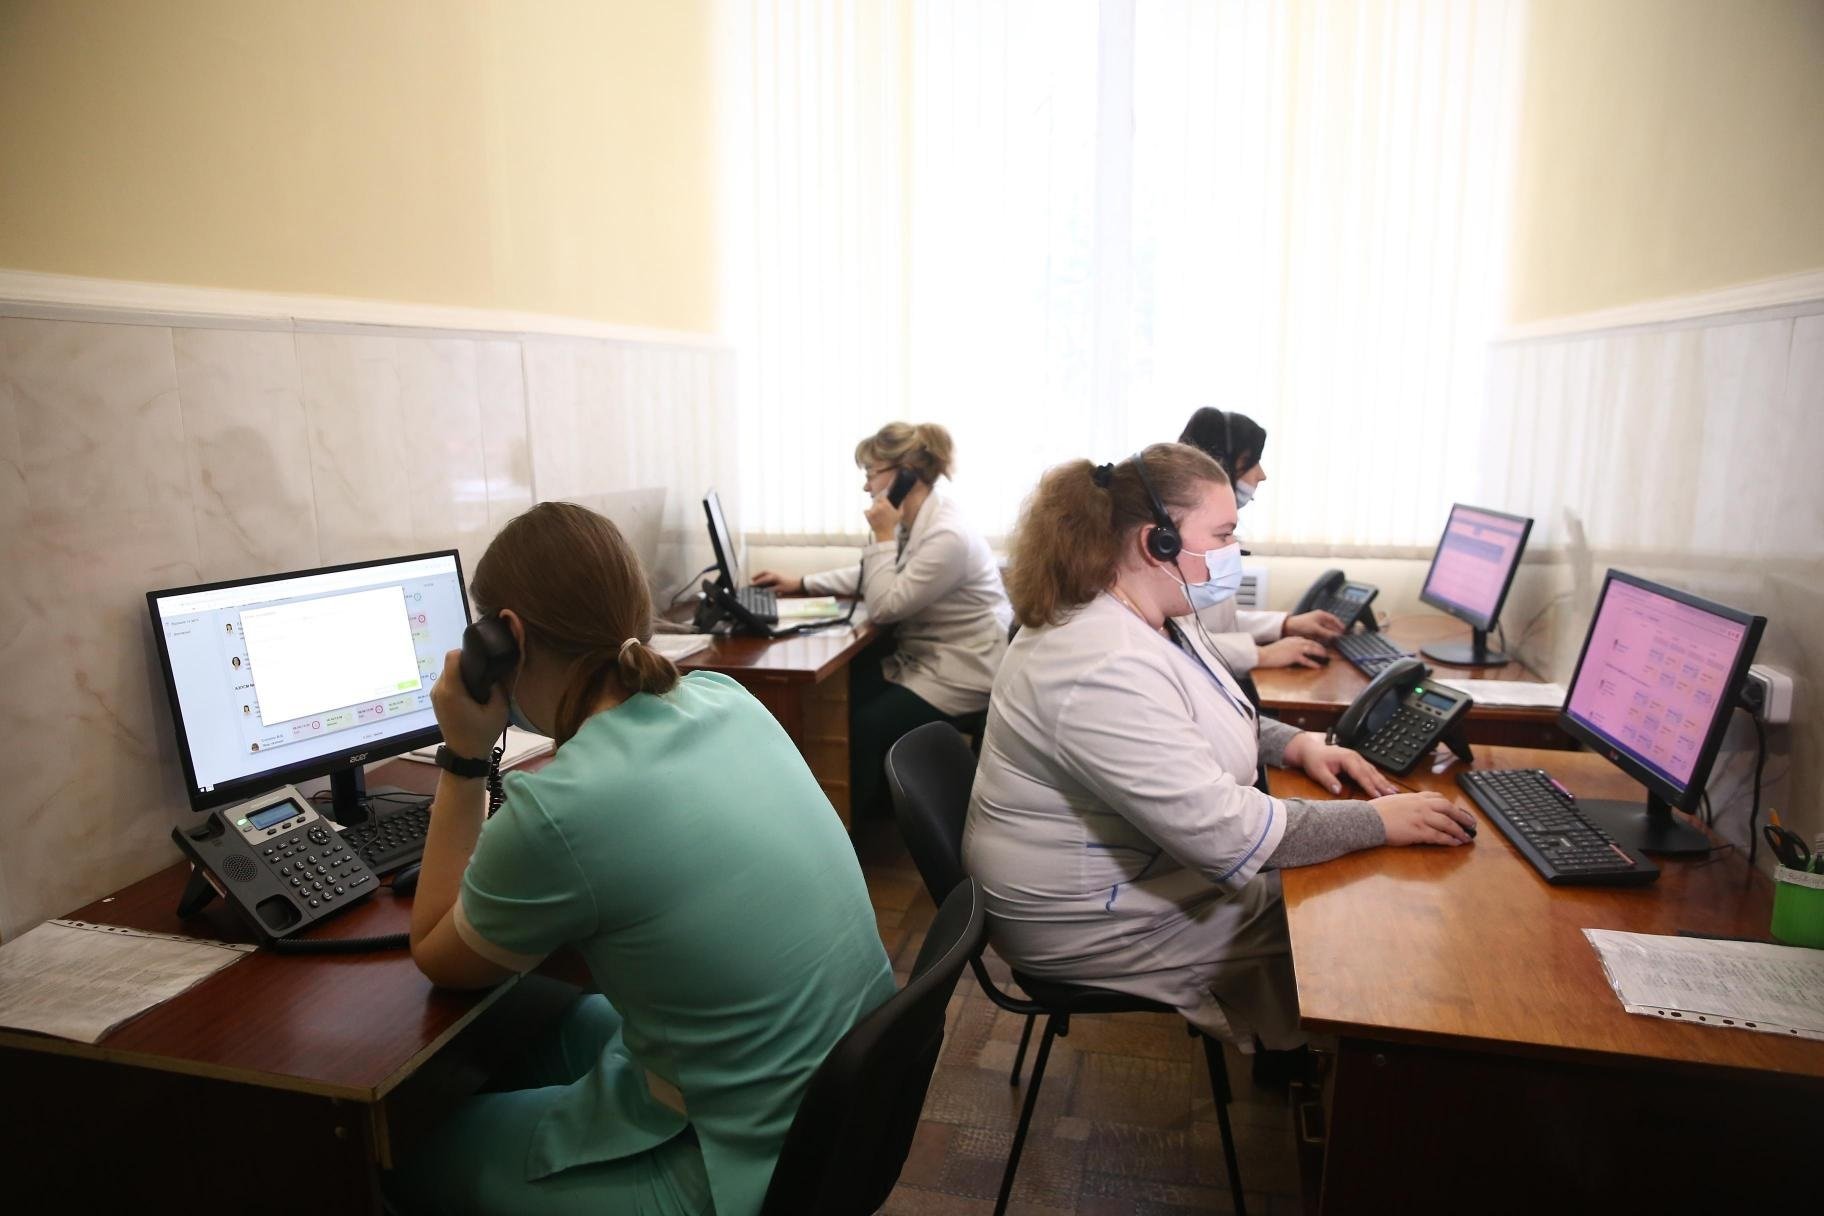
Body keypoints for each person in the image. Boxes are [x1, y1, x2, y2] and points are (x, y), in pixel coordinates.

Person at [393, 502, 896, 1216]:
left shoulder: (563, 809)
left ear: (506, 638)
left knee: (407, 1152)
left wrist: (466, 755)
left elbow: (437, 953)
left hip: (746, 1168)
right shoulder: (726, 697)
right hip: (844, 1110)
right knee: (549, 1025)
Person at [962, 444, 1473, 1052]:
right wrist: (1377, 821)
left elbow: (1205, 710)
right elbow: (1228, 834)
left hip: (1138, 874)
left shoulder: (1153, 614)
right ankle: (1343, 1077)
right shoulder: (1098, 663)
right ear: (1158, 543)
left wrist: (1298, 745)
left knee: (1337, 893)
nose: (1236, 548)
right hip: (1088, 918)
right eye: (1225, 533)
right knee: (1346, 933)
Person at [754, 421, 1011, 816]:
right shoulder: (922, 519)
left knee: (864, 722)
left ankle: (857, 827)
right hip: (931, 656)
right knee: (840, 694)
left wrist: (883, 534)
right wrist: (801, 583)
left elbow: (884, 605)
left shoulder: (947, 536)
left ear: (906, 474)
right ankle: (862, 807)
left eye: (871, 473)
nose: (866, 486)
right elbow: (880, 574)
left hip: (962, 669)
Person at [1176, 407, 1341, 671]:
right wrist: (1262, 655)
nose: (1261, 475)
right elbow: (1178, 642)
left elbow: (1217, 625)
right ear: (1221, 463)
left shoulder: (1201, 533)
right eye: (1252, 462)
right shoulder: (1181, 545)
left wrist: (1285, 624)